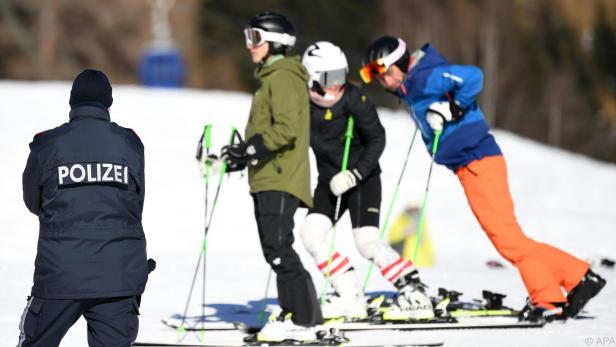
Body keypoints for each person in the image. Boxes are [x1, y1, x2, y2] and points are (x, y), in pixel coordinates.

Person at [359, 36, 606, 322]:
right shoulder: (410, 86)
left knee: (509, 241)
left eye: (386, 72)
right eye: (375, 76)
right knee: (509, 239)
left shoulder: (427, 77)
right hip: (469, 165)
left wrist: (454, 108)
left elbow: (474, 77)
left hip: (479, 161)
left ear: (401, 64)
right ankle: (578, 277)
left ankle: (548, 299)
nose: (383, 80)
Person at [298, 41, 434, 321]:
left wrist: (356, 174)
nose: (337, 84)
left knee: (367, 242)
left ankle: (414, 290)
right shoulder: (303, 106)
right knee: (311, 234)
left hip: (362, 178)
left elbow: (377, 138)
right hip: (329, 182)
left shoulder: (354, 99)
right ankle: (349, 295)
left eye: (340, 75)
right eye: (329, 78)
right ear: (312, 79)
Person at [18, 69, 150, 346]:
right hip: (119, 274)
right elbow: (135, 204)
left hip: (61, 274)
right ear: (108, 103)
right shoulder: (130, 144)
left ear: (72, 102)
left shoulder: (47, 144)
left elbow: (33, 201)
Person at [220, 12, 323, 342]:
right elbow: (271, 132)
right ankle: (295, 312)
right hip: (269, 176)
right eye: (248, 37)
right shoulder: (272, 77)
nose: (249, 45)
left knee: (279, 248)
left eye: (256, 39)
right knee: (276, 248)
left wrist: (251, 150)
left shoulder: (283, 78)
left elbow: (286, 130)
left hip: (280, 177)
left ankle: (306, 320)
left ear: (276, 43)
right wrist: (244, 155)